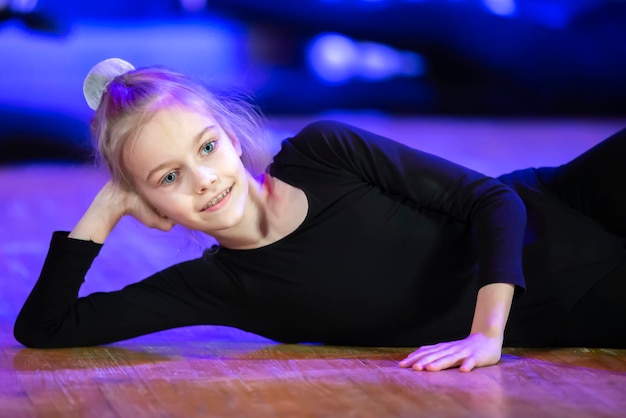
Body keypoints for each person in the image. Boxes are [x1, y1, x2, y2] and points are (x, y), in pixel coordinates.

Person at [13, 58, 626, 372]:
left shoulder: (324, 152)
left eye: (206, 147)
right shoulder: (220, 289)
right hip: (570, 295)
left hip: (559, 203)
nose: (204, 179)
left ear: (230, 135)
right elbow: (46, 329)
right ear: (150, 203)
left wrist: (486, 334)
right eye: (168, 178)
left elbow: (494, 199)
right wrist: (107, 205)